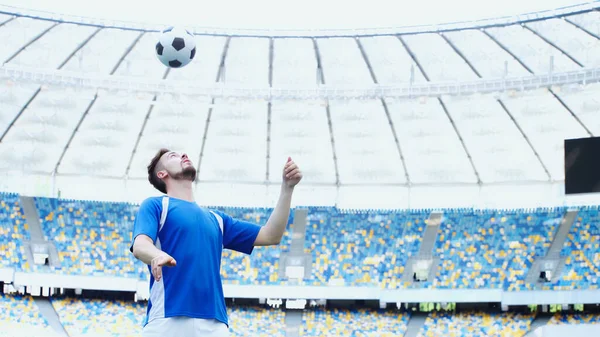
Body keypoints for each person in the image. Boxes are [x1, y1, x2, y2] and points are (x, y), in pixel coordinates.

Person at [130, 148, 302, 337]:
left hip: (214, 325)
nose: (184, 155)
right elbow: (140, 245)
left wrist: (287, 188)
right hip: (166, 319)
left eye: (183, 154)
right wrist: (157, 254)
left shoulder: (218, 220)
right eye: (174, 156)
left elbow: (271, 235)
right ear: (162, 174)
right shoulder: (156, 205)